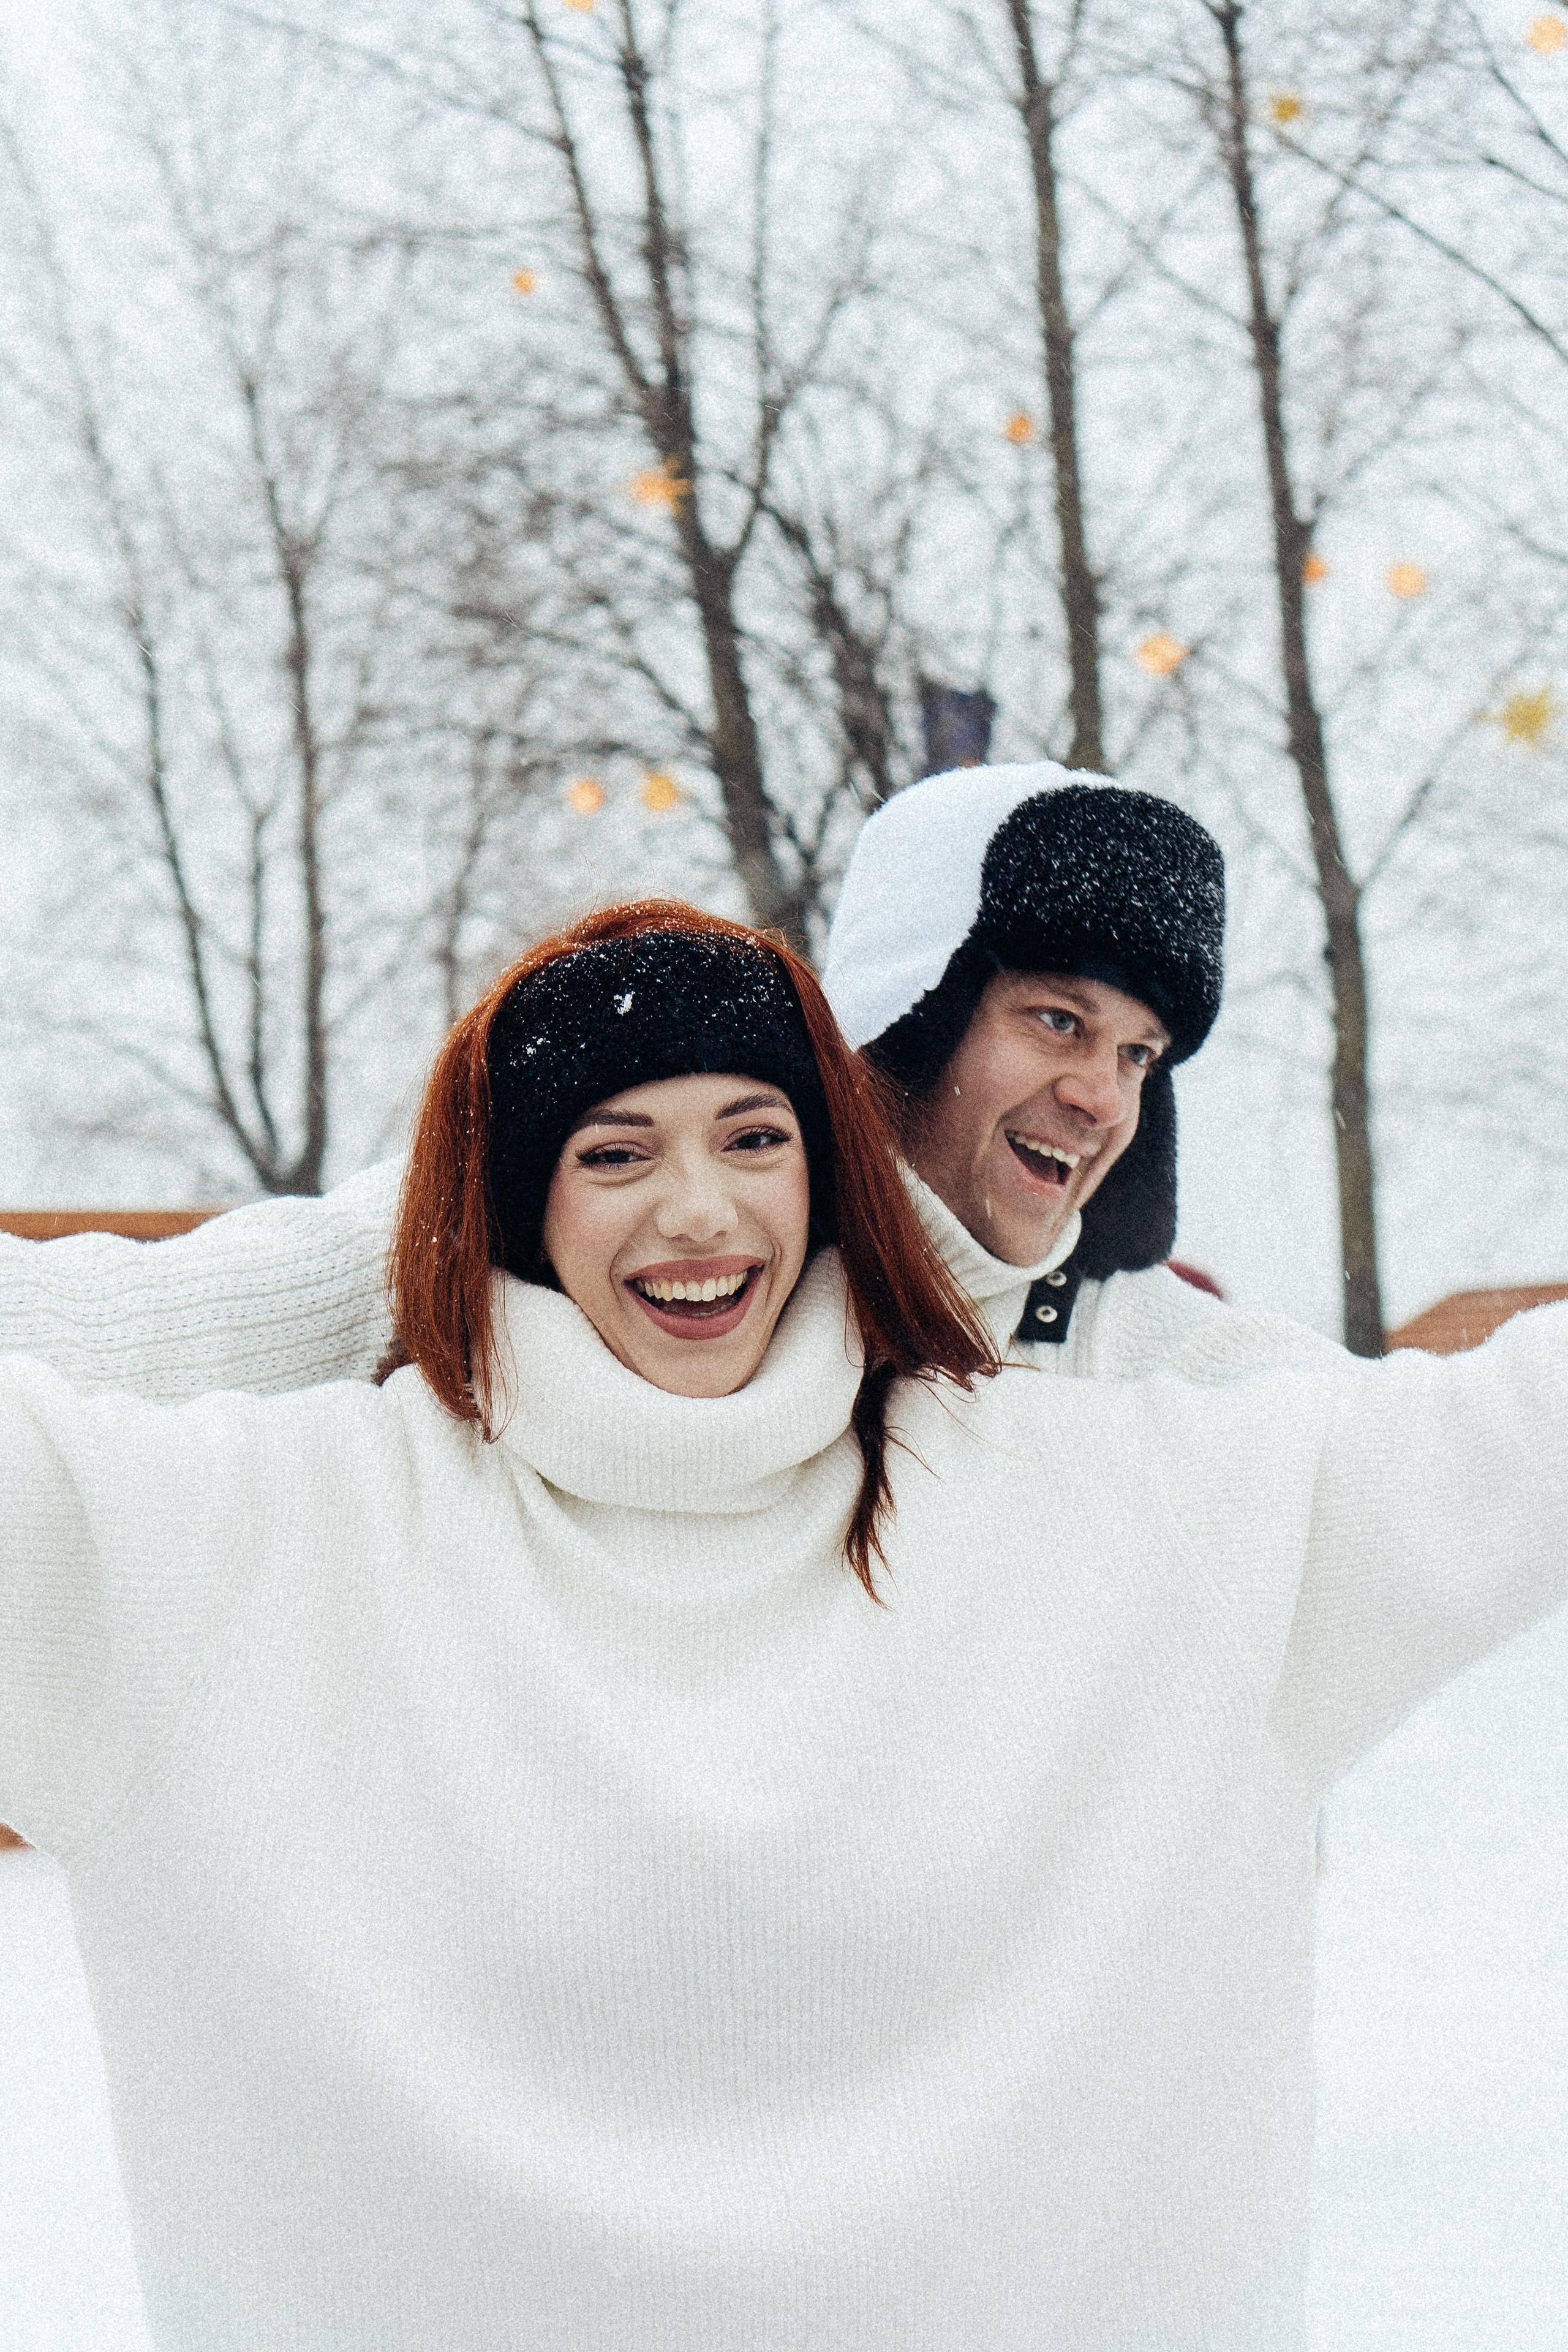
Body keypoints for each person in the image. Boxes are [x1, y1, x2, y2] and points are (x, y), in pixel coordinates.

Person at [6, 896, 1568, 2352]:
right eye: (613, 1155)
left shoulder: (1121, 1509)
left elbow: (1506, 1441)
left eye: (753, 1137)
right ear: (515, 1197)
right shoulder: (245, 1542)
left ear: (827, 1172)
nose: (700, 1212)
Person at [0, 763, 1338, 1400]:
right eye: (1056, 1021)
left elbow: (1405, 1452)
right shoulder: (617, 1213)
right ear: (914, 1009)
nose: (1103, 1097)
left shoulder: (1122, 1351)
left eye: (1136, 1055)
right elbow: (133, 1323)